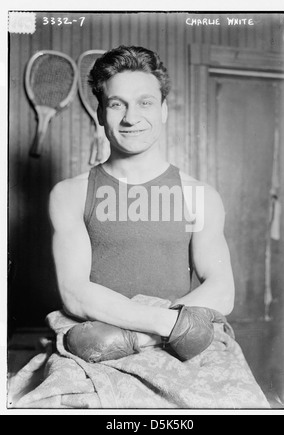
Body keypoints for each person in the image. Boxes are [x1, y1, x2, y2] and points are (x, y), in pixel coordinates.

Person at [49, 45, 235, 363]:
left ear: (163, 110)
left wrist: (140, 335)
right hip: (103, 345)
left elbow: (222, 290)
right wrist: (167, 324)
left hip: (171, 343)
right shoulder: (70, 194)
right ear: (99, 113)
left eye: (145, 103)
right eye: (117, 105)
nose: (131, 118)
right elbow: (74, 292)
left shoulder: (200, 195)